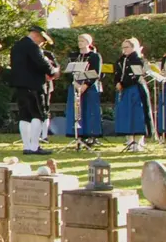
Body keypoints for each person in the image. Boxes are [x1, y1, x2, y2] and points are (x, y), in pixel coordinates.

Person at [9, 25, 59, 156]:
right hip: (34, 85)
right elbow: (42, 63)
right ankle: (34, 146)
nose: (42, 43)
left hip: (20, 85)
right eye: (42, 40)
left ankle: (26, 146)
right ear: (37, 35)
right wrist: (53, 71)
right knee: (38, 115)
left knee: (24, 116)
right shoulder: (33, 47)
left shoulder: (16, 46)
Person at [64, 33, 103, 147]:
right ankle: (78, 136)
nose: (80, 43)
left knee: (89, 110)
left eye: (82, 41)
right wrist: (75, 84)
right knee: (76, 111)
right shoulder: (73, 56)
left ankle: (91, 135)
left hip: (89, 88)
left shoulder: (94, 56)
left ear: (88, 43)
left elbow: (95, 72)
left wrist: (85, 85)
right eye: (79, 41)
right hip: (75, 86)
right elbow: (68, 72)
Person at [114, 38, 150, 152]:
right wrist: (117, 83)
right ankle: (129, 141)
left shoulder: (138, 60)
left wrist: (123, 83)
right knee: (126, 115)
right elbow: (117, 73)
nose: (124, 50)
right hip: (124, 91)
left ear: (133, 48)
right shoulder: (120, 60)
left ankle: (138, 142)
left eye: (127, 47)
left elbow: (136, 76)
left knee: (137, 115)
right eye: (123, 47)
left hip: (135, 90)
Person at [41, 48, 59, 144]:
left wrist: (51, 67)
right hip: (33, 84)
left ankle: (44, 135)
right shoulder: (29, 52)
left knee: (45, 109)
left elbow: (56, 68)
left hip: (46, 84)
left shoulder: (48, 53)